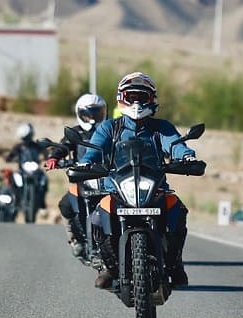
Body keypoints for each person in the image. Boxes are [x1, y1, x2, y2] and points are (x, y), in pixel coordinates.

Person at [79, 72, 196, 290]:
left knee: (177, 209)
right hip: (117, 188)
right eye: (131, 96)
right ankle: (107, 265)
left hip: (155, 188)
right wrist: (85, 163)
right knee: (97, 216)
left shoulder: (162, 127)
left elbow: (175, 144)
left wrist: (186, 156)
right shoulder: (109, 128)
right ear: (121, 98)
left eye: (141, 97)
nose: (136, 102)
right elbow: (92, 152)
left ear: (151, 99)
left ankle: (175, 262)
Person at [44, 93, 107, 257]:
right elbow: (63, 146)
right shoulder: (75, 132)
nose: (93, 118)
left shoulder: (109, 130)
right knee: (65, 205)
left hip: (107, 178)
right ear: (80, 114)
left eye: (97, 113)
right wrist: (54, 157)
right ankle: (75, 239)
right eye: (89, 114)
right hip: (82, 178)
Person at [5, 123, 49, 209]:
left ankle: (42, 201)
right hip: (22, 170)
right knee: (14, 179)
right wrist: (10, 158)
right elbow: (10, 156)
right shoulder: (19, 147)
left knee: (44, 180)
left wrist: (47, 158)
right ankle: (16, 199)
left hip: (36, 170)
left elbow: (45, 153)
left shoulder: (36, 145)